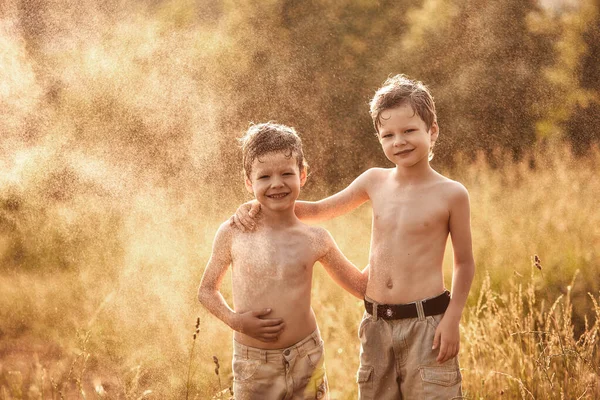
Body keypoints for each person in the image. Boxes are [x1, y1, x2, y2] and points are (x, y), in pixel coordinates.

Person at [232, 75, 475, 399]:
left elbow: (464, 262)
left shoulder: (452, 194)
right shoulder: (374, 181)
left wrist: (452, 319)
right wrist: (260, 205)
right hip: (376, 325)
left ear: (432, 131)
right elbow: (318, 209)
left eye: (409, 131)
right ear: (379, 138)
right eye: (388, 135)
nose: (398, 141)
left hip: (427, 323)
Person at [198, 122, 368, 400]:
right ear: (248, 182)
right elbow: (206, 290)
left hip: (307, 357)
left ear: (302, 175)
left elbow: (361, 287)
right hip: (255, 364)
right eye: (264, 177)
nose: (276, 183)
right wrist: (236, 321)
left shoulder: (316, 239)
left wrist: (396, 241)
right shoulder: (233, 233)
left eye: (286, 173)